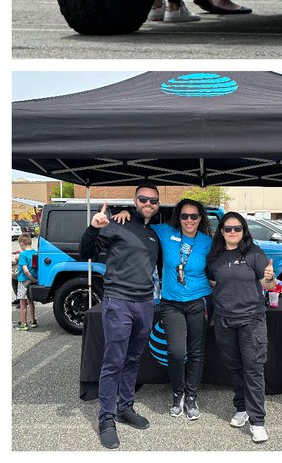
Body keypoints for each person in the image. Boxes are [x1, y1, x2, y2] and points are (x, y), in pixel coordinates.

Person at [111, 198, 213, 420]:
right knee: (176, 352)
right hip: (171, 303)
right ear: (179, 217)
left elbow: (217, 268)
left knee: (196, 352)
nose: (189, 220)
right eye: (184, 215)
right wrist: (126, 212)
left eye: (194, 216)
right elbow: (143, 221)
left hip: (199, 301)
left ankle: (192, 396)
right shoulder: (165, 232)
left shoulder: (207, 242)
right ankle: (178, 393)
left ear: (200, 218)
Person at [80, 185, 164, 449]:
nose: (148, 203)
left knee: (133, 358)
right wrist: (93, 228)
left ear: (158, 204)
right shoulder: (116, 224)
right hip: (119, 301)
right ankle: (106, 418)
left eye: (153, 200)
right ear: (134, 200)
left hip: (145, 303)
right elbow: (87, 252)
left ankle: (124, 407)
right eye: (143, 199)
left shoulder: (153, 234)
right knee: (113, 360)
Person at [207, 212, 275, 443]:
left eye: (237, 228)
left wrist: (269, 277)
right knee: (234, 367)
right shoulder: (214, 257)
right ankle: (241, 408)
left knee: (253, 368)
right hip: (224, 320)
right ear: (222, 231)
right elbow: (215, 283)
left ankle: (257, 421)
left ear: (244, 230)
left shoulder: (254, 253)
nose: (233, 232)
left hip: (251, 319)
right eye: (228, 229)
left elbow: (268, 284)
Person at [15, 233, 36, 330]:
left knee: (23, 303)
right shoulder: (35, 252)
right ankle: (33, 321)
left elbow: (26, 270)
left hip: (24, 280)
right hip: (33, 280)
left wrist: (31, 278)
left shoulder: (22, 255)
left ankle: (24, 324)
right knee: (30, 301)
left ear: (21, 243)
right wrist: (34, 280)